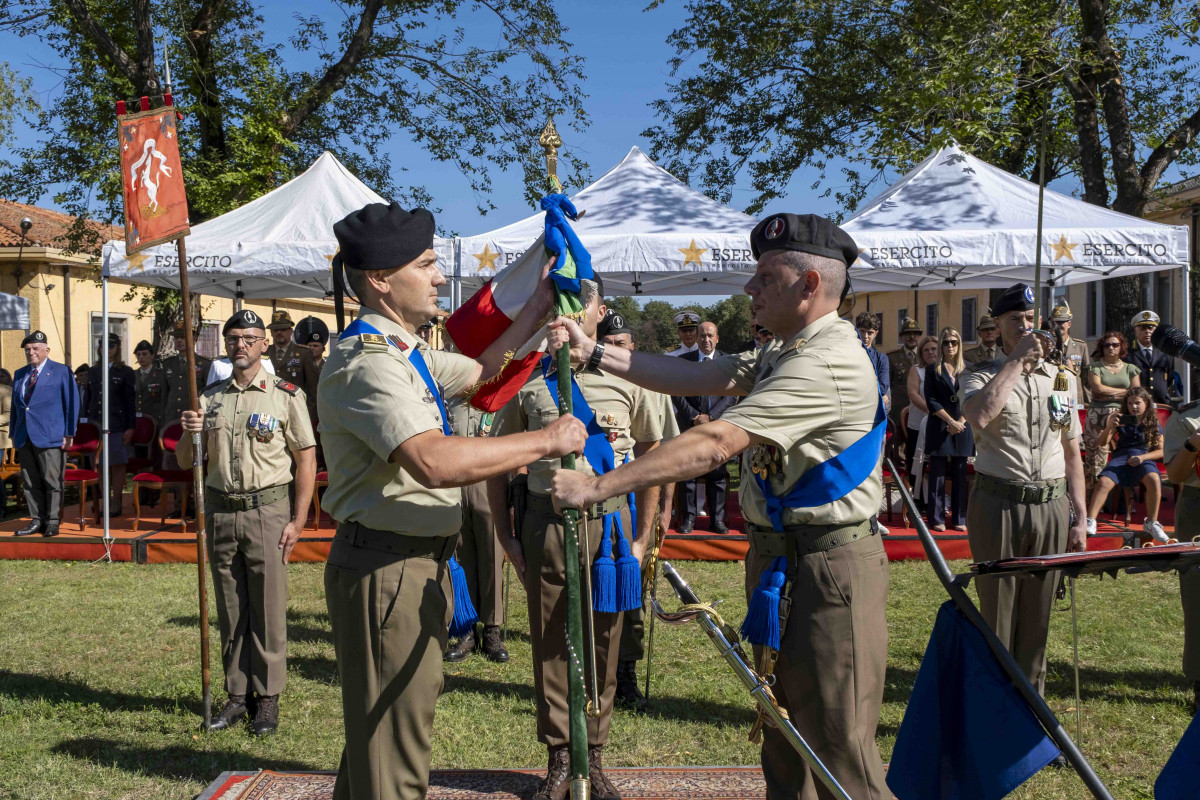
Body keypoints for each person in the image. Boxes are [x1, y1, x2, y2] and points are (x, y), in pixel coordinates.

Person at [550, 213, 891, 800]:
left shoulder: (824, 360)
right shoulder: (789, 349)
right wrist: (595, 354)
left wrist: (598, 488)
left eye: (765, 277)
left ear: (809, 285)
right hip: (785, 564)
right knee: (782, 733)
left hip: (828, 569)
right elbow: (700, 374)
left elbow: (714, 443)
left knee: (838, 752)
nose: (749, 290)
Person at [318, 202, 586, 800]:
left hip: (411, 565)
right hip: (388, 571)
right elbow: (434, 461)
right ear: (381, 280)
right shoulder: (370, 365)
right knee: (394, 756)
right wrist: (547, 438)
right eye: (428, 263)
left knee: (381, 741)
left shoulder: (403, 352)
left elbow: (481, 373)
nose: (440, 276)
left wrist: (539, 308)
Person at [489, 274, 666, 800]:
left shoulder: (631, 378)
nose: (559, 321)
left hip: (611, 532)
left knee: (604, 642)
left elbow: (656, 456)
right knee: (551, 642)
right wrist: (507, 536)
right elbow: (500, 467)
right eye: (553, 310)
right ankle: (560, 757)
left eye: (573, 309)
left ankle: (597, 755)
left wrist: (642, 536)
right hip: (547, 523)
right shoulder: (530, 381)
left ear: (597, 313)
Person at [178, 309, 317, 736]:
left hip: (268, 512)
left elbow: (306, 457)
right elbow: (187, 461)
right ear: (227, 344)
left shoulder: (285, 395)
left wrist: (298, 519)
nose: (241, 344)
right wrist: (189, 431)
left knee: (269, 608)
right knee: (231, 607)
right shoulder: (209, 399)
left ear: (264, 345)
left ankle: (268, 699)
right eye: (234, 337)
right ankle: (237, 695)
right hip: (222, 513)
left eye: (250, 338)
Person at [961, 283, 1087, 701]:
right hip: (1000, 504)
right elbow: (979, 416)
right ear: (997, 326)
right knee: (998, 612)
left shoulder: (1061, 380)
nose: (1026, 325)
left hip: (1050, 505)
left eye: (1031, 318)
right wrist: (1016, 361)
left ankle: (1032, 707)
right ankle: (993, 705)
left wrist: (1081, 518)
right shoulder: (980, 375)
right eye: (1016, 319)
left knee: (1040, 615)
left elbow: (1072, 452)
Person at [597, 309, 678, 711]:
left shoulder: (648, 383)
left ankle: (626, 668)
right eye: (606, 344)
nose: (612, 350)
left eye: (620, 345)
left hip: (635, 497)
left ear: (632, 347)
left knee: (633, 587)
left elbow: (664, 452)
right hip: (599, 497)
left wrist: (665, 509)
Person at [442, 394, 510, 664]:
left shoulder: (500, 399)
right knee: (461, 559)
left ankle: (492, 630)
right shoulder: (448, 400)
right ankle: (466, 630)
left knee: (492, 558)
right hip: (455, 487)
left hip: (489, 486)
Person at [12, 331, 79, 538]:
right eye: (28, 349)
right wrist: (14, 432)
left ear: (47, 350)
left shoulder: (61, 371)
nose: (31, 352)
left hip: (51, 435)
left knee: (52, 480)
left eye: (36, 349)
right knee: (30, 481)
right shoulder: (20, 373)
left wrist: (69, 432)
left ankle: (52, 520)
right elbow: (17, 408)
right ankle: (36, 520)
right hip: (25, 436)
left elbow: (72, 403)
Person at [673, 321, 735, 533]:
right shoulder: (683, 362)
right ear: (697, 338)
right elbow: (676, 392)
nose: (706, 340)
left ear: (717, 338)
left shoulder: (727, 361)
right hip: (690, 427)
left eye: (710, 336)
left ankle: (717, 520)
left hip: (717, 427)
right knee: (687, 474)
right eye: (702, 336)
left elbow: (732, 394)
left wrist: (710, 416)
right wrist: (694, 417)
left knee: (717, 475)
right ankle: (688, 520)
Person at [1084, 387, 1166, 541]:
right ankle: (1091, 520)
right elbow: (1102, 443)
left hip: (1143, 456)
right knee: (1103, 481)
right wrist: (1110, 426)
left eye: (1137, 403)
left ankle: (1152, 522)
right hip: (1121, 456)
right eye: (1129, 403)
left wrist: (1142, 458)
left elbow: (1162, 451)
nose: (1133, 407)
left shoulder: (1152, 422)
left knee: (1154, 479)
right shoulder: (1120, 420)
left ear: (1146, 403)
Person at [1165, 388, 1200, 713]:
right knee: (1197, 595)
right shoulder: (1186, 417)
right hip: (1196, 505)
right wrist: (1194, 445)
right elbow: (1175, 475)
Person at [923, 327, 974, 532]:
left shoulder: (968, 368)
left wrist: (960, 421)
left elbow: (973, 397)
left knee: (961, 473)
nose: (950, 346)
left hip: (963, 426)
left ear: (959, 344)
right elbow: (931, 400)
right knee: (938, 474)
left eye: (954, 342)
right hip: (940, 425)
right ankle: (936, 519)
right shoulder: (932, 369)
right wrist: (949, 422)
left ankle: (959, 518)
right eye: (946, 342)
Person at [85, 333, 137, 517]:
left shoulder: (125, 371)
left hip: (117, 424)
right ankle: (105, 501)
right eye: (103, 346)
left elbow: (130, 401)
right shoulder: (93, 371)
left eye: (111, 346)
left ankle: (117, 503)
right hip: (96, 424)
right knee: (99, 465)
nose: (107, 349)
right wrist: (85, 422)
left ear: (117, 349)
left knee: (117, 465)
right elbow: (88, 399)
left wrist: (131, 426)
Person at [1084, 332, 1142, 491]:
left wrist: (1110, 392)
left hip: (1124, 415)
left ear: (1121, 347)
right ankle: (1092, 499)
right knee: (1095, 458)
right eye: (1107, 345)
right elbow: (1097, 388)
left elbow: (1136, 392)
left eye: (1115, 345)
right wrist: (1124, 391)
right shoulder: (1095, 367)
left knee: (1125, 454)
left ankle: (1122, 501)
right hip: (1097, 414)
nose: (1111, 348)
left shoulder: (1131, 368)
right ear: (1101, 348)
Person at [266, 311, 320, 421]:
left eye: (284, 329)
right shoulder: (264, 352)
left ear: (291, 331)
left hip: (296, 413)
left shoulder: (304, 353)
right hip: (269, 412)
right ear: (271, 333)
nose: (279, 332)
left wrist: (308, 417)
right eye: (276, 330)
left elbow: (313, 389)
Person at [904, 335, 940, 500]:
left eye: (933, 348)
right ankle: (917, 500)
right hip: (919, 424)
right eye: (926, 350)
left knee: (935, 465)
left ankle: (934, 499)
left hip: (941, 425)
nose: (930, 352)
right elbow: (913, 394)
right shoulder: (917, 369)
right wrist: (934, 411)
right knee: (917, 463)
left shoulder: (946, 368)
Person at [888, 317, 923, 463]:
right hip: (899, 408)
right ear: (902, 337)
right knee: (899, 451)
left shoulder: (925, 356)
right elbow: (888, 385)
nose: (911, 337)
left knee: (920, 446)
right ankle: (902, 481)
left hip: (921, 408)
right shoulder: (892, 357)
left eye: (915, 333)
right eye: (907, 334)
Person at [162, 327, 213, 424]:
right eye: (176, 337)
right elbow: (164, 396)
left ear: (193, 338)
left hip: (193, 418)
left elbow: (207, 395)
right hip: (172, 417)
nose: (179, 340)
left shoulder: (204, 364)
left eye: (183, 337)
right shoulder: (167, 364)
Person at [1127, 311, 1174, 405]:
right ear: (1135, 331)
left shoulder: (1165, 352)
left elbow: (1169, 378)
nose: (1147, 331)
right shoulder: (1127, 354)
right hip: (1138, 404)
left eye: (1150, 328)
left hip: (1162, 404)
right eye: (1143, 328)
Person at [1048, 303, 1091, 406]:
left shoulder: (1080, 346)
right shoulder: (1047, 346)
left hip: (1076, 397)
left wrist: (1087, 400)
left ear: (1069, 324)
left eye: (1061, 322)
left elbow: (1086, 377)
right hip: (1053, 396)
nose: (1058, 326)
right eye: (1055, 322)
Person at [855, 311, 890, 410]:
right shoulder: (846, 354)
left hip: (872, 409)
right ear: (856, 330)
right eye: (862, 331)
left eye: (870, 332)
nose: (865, 336)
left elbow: (883, 388)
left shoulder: (882, 359)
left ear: (876, 334)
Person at [132, 340, 166, 423]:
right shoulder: (132, 375)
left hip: (155, 420)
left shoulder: (161, 375)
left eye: (144, 354)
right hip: (136, 419)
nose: (141, 357)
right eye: (138, 354)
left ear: (152, 356)